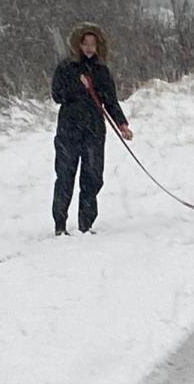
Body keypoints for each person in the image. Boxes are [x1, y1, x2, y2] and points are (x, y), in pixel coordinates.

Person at [51, 22, 133, 235]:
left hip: (94, 131)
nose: (89, 47)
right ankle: (60, 225)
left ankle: (85, 225)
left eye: (93, 44)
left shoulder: (102, 70)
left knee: (93, 177)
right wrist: (80, 86)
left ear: (98, 46)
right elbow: (57, 95)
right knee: (65, 177)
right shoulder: (65, 67)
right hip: (69, 129)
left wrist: (122, 124)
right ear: (77, 44)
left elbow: (111, 101)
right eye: (85, 43)